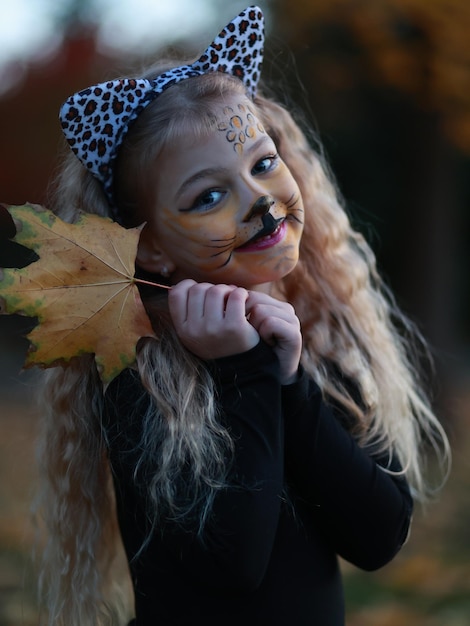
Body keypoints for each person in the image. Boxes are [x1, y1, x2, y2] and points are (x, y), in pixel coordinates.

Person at [35, 6, 449, 626]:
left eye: (261, 165)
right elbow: (233, 568)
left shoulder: (317, 332)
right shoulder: (143, 372)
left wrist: (289, 381)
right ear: (148, 245)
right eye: (207, 196)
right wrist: (244, 372)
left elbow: (380, 535)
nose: (258, 200)